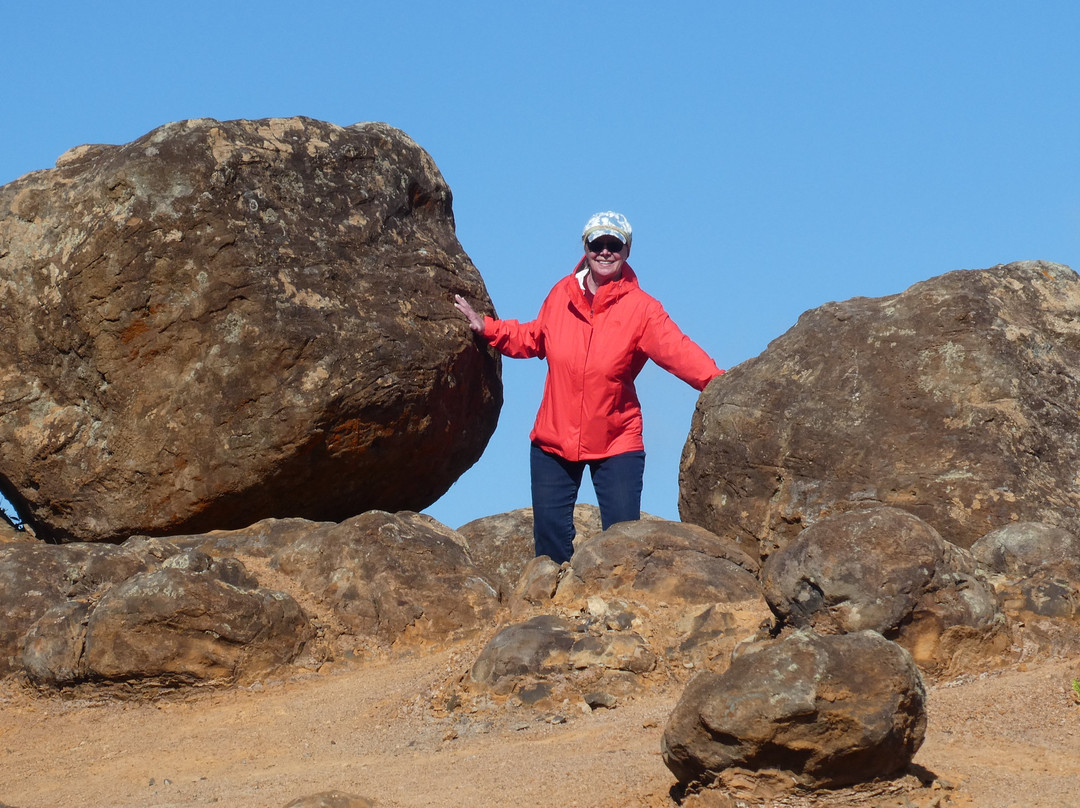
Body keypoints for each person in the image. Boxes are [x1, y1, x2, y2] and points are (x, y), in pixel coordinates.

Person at [454, 211, 723, 564]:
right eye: (598, 243)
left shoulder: (642, 309)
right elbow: (534, 337)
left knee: (623, 548)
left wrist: (721, 384)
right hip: (554, 440)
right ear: (586, 247)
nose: (606, 251)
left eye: (615, 244)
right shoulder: (561, 295)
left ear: (627, 251)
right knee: (550, 551)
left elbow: (680, 351)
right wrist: (488, 328)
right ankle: (552, 616)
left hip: (617, 441)